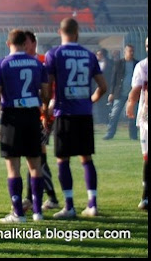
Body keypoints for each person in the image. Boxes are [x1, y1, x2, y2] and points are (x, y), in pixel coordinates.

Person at [43, 18, 108, 218]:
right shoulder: (89, 55)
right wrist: (89, 101)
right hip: (84, 114)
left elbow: (48, 86)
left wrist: (46, 110)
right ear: (77, 32)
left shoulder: (53, 54)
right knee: (86, 159)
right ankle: (92, 204)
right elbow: (103, 87)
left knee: (63, 159)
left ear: (60, 31)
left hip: (65, 113)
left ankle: (69, 206)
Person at [0, 29, 50, 223]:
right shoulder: (37, 63)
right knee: (35, 166)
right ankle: (38, 212)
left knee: (13, 167)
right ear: (25, 44)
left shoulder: (1, 64)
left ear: (9, 44)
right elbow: (47, 91)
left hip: (12, 117)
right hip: (32, 115)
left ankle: (18, 213)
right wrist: (45, 107)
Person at [22, 30, 60, 212]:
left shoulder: (44, 60)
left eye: (26, 42)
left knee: (37, 156)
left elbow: (55, 85)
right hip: (29, 115)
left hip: (44, 115)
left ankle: (47, 198)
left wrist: (49, 107)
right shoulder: (19, 62)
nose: (22, 46)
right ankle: (34, 198)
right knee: (34, 156)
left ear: (33, 44)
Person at [125, 37, 147, 211]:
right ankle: (146, 196)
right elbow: (137, 88)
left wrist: (131, 102)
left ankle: (145, 197)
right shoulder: (142, 66)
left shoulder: (143, 66)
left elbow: (137, 89)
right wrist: (132, 102)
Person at [104, 45, 139, 140]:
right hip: (120, 93)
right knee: (114, 114)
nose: (131, 53)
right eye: (129, 51)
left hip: (133, 94)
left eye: (132, 51)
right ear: (125, 52)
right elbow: (113, 79)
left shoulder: (137, 63)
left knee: (133, 115)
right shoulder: (119, 63)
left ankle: (133, 135)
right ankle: (110, 134)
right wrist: (111, 93)